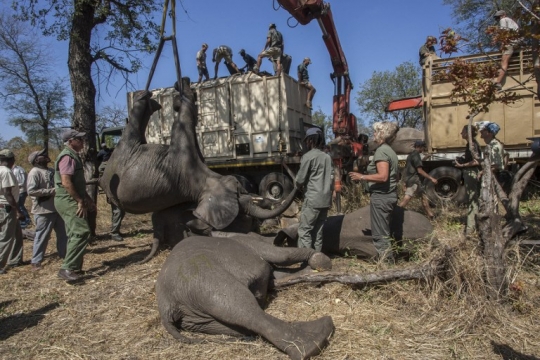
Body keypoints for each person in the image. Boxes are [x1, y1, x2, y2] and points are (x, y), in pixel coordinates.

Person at [349, 122, 399, 262]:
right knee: (385, 231)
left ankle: (387, 266)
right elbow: (396, 176)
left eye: (376, 132)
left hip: (381, 198)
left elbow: (383, 176)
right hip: (390, 196)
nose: (374, 134)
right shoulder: (390, 151)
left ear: (382, 134)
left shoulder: (381, 151)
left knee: (380, 235)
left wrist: (362, 177)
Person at [55, 129, 96, 282]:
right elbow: (66, 182)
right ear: (71, 141)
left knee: (74, 233)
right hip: (68, 200)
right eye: (79, 139)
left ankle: (75, 267)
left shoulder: (73, 156)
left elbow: (77, 184)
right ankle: (67, 268)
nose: (82, 141)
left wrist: (88, 200)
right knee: (82, 232)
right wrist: (79, 201)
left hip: (70, 198)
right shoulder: (67, 157)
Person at [27, 149, 68, 270]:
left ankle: (64, 255)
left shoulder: (51, 170)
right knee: (42, 236)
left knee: (63, 234)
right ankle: (36, 261)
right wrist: (52, 191)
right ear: (36, 160)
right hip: (43, 211)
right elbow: (31, 191)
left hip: (57, 208)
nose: (45, 156)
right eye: (42, 155)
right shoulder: (34, 172)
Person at [295, 127, 333, 252]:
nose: (306, 143)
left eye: (307, 140)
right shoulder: (327, 157)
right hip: (325, 200)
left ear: (310, 141)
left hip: (312, 199)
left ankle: (306, 259)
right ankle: (318, 258)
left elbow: (300, 180)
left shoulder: (308, 157)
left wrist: (298, 184)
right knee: (318, 230)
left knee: (304, 230)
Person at [398, 140, 438, 220]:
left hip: (413, 181)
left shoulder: (411, 155)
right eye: (423, 147)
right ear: (419, 147)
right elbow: (419, 170)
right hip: (414, 181)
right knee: (407, 198)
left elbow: (410, 167)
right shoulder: (416, 155)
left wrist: (404, 182)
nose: (423, 150)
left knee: (424, 198)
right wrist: (431, 178)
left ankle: (431, 215)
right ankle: (396, 212)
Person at [0, 149, 25, 274]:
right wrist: (18, 210)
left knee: (17, 236)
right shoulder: (6, 172)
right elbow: (7, 193)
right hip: (7, 208)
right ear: (11, 160)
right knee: (6, 238)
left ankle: (15, 259)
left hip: (4, 207)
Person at [454, 125, 482, 237]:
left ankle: (470, 229)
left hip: (471, 172)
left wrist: (462, 165)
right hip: (471, 172)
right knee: (472, 199)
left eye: (463, 131)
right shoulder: (471, 144)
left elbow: (476, 161)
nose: (461, 134)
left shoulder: (472, 144)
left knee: (472, 200)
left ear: (468, 133)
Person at [97, 143, 125, 242]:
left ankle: (116, 230)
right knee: (117, 211)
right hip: (112, 193)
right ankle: (114, 233)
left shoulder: (115, 165)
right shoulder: (106, 167)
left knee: (120, 212)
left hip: (119, 192)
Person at [493, 10, 519, 91]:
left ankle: (498, 82)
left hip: (509, 42)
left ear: (504, 15)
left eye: (499, 17)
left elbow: (504, 33)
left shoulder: (503, 20)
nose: (499, 19)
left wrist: (503, 44)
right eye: (497, 18)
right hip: (516, 42)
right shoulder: (513, 22)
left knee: (504, 62)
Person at [477, 121, 508, 189]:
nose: (481, 134)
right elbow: (506, 155)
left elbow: (496, 166)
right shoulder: (492, 144)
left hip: (496, 176)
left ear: (490, 133)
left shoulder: (495, 146)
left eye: (483, 131)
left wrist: (482, 172)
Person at [12, 163, 31, 228]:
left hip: (21, 191)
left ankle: (26, 221)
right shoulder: (14, 170)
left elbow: (21, 183)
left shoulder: (17, 170)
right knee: (20, 206)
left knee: (20, 206)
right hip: (19, 191)